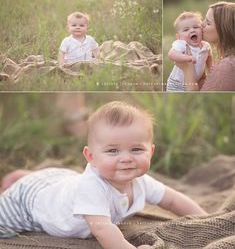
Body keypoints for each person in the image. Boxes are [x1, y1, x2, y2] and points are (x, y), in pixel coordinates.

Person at [0, 102, 206, 248]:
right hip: (30, 203)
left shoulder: (140, 181)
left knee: (62, 182)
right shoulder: (91, 188)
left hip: (61, 183)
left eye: (136, 150)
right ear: (91, 156)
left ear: (150, 151)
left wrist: (205, 220)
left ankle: (24, 176)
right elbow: (102, 229)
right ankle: (22, 180)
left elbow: (173, 200)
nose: (126, 158)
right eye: (113, 151)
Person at [176, 2, 235, 91]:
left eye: (208, 22)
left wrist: (188, 69)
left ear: (223, 30)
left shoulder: (227, 67)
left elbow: (196, 102)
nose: (201, 25)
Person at [166, 11, 213, 92]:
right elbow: (171, 54)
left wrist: (211, 69)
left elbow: (209, 55)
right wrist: (186, 57)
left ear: (202, 30)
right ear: (179, 37)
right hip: (176, 85)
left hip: (194, 82)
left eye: (196, 27)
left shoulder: (206, 46)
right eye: (186, 30)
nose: (192, 30)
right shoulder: (182, 44)